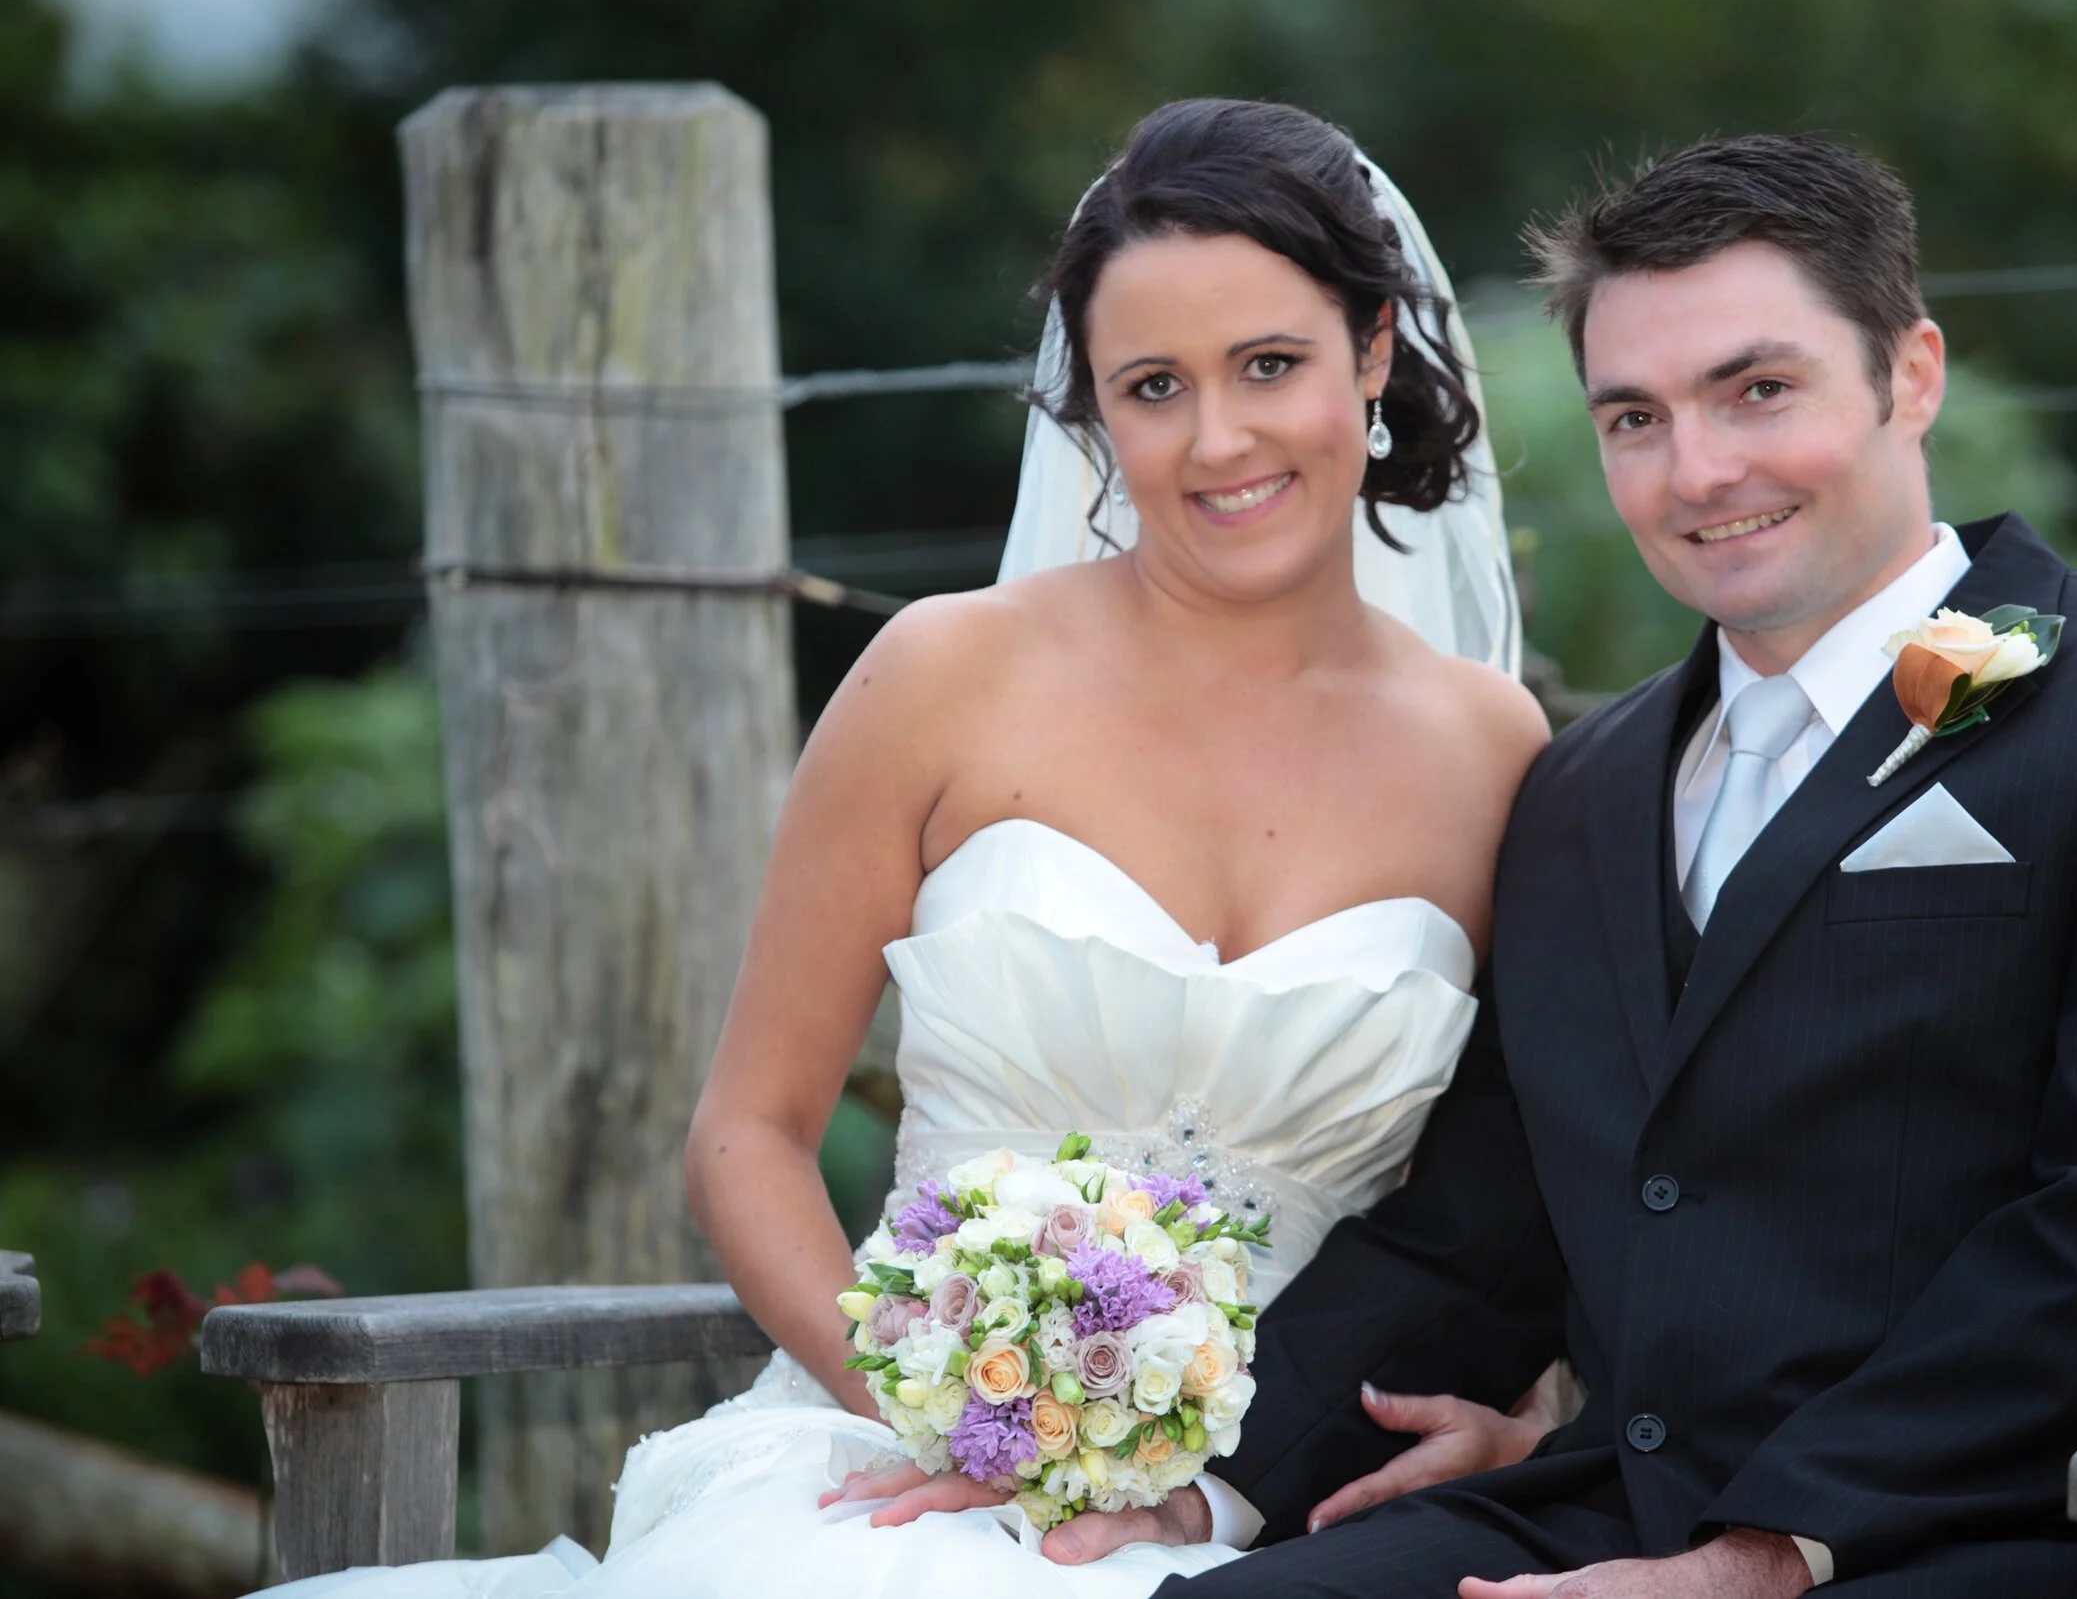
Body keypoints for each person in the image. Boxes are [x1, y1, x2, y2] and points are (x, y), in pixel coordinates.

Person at [262, 97, 1545, 1599]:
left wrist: (1514, 1412)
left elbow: (1514, 1193)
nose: (1219, 439)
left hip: (1275, 1513)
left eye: (1271, 363)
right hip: (901, 1480)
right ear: (1094, 416)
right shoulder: (945, 676)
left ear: (1374, 349)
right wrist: (936, 1404)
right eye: (1153, 386)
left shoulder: (1495, 753)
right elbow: (746, 1134)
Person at [1144, 135, 2077, 1598]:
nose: (1697, 471)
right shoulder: (1585, 785)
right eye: (1634, 417)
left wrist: (1761, 1555)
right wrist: (1196, 1483)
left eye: (1757, 390)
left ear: (1911, 373)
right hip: (1611, 1508)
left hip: (2000, 1535)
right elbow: (1474, 1231)